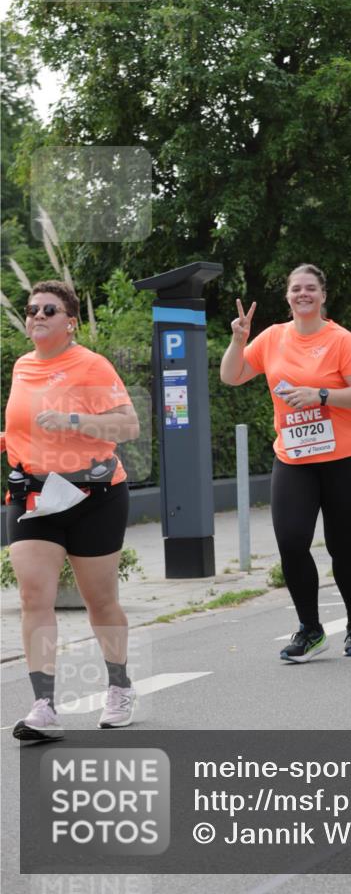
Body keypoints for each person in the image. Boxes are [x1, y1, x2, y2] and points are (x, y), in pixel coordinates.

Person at [220, 264, 351, 662]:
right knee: (291, 541)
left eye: (311, 288)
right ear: (288, 296)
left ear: (322, 296)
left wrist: (321, 395)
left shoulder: (340, 340)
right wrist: (238, 340)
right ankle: (310, 629)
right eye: (296, 289)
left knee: (343, 546)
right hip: (295, 455)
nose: (303, 294)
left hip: (349, 456)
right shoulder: (273, 337)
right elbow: (232, 375)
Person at [2, 281, 140, 741]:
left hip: (92, 495)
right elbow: (24, 431)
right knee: (32, 596)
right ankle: (44, 705)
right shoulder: (22, 367)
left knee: (99, 601)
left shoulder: (90, 366)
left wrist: (74, 421)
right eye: (31, 310)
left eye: (49, 309)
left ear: (70, 321)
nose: (37, 316)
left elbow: (129, 425)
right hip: (35, 497)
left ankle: (119, 686)